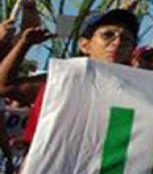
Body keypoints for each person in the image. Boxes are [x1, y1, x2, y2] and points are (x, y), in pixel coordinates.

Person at [0, 9, 139, 146]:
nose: (118, 42)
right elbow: (5, 86)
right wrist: (24, 44)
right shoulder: (61, 81)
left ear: (132, 50)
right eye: (108, 35)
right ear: (85, 45)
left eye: (126, 39)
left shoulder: (140, 94)